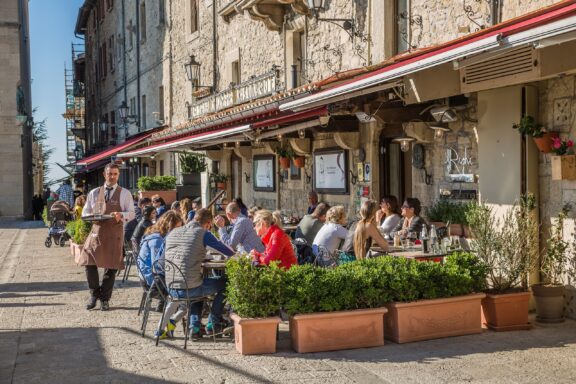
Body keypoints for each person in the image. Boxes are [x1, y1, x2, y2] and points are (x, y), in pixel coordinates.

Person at [158, 208, 234, 339]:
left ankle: (195, 327)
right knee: (225, 283)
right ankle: (213, 323)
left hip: (171, 286)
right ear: (209, 223)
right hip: (190, 287)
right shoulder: (203, 233)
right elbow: (229, 251)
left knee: (198, 283)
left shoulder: (173, 232)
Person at [81, 163, 135, 311]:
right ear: (104, 175)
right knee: (89, 262)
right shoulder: (94, 192)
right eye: (110, 174)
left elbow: (131, 213)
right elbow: (84, 213)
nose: (112, 177)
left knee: (110, 267)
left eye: (115, 174)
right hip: (96, 232)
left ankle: (105, 299)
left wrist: (121, 215)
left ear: (118, 175)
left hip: (114, 233)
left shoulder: (125, 193)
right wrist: (91, 216)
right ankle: (94, 294)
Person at [137, 211, 183, 313]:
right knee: (183, 284)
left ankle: (163, 304)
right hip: (151, 283)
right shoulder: (157, 240)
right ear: (168, 226)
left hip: (148, 277)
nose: (177, 231)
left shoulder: (156, 234)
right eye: (176, 228)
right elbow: (157, 266)